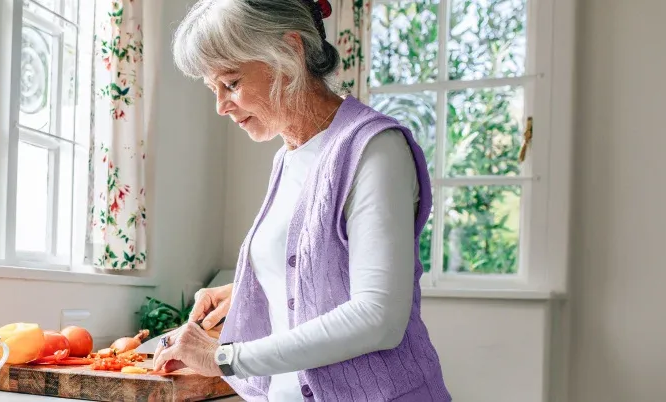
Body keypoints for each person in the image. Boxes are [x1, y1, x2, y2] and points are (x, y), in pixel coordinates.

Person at [152, 0, 451, 401]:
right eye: (213, 89)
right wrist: (248, 286)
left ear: (290, 51)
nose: (221, 106)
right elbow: (315, 269)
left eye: (232, 83)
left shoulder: (375, 149)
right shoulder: (288, 157)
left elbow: (378, 318)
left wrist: (223, 357)